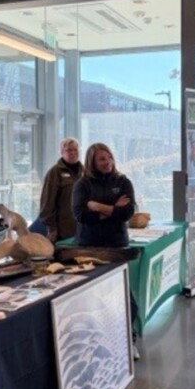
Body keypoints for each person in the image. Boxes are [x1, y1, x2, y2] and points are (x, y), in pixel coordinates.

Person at [72, 142, 140, 358]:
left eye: (109, 157)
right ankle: (95, 343)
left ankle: (129, 341)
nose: (107, 162)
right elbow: (81, 216)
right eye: (102, 159)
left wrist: (99, 207)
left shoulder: (123, 181)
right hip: (88, 246)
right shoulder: (82, 185)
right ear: (92, 161)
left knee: (124, 298)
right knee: (94, 298)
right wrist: (113, 208)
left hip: (116, 245)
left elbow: (127, 212)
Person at [37, 137, 83, 242]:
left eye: (75, 149)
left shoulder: (85, 172)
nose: (73, 153)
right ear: (62, 152)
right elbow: (47, 203)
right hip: (63, 228)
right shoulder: (54, 173)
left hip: (82, 227)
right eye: (69, 150)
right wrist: (52, 228)